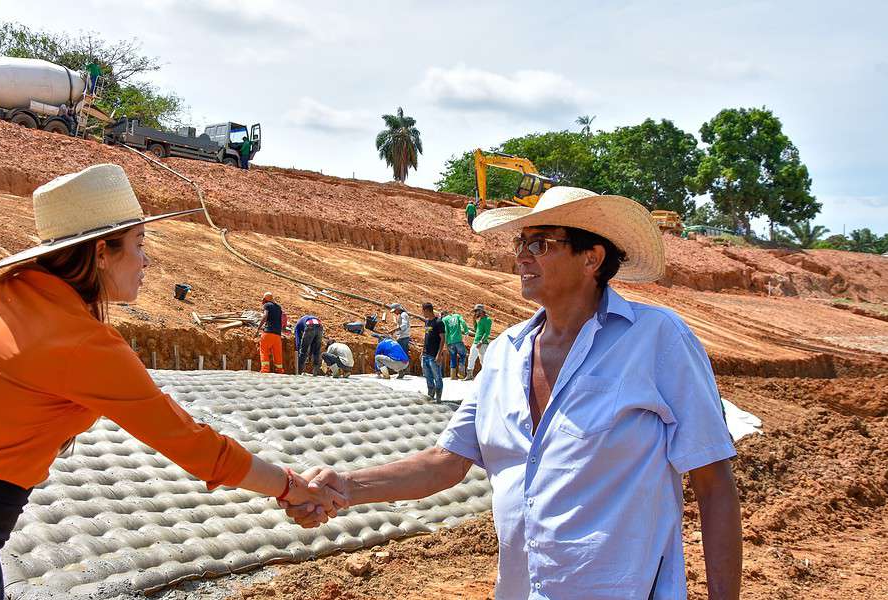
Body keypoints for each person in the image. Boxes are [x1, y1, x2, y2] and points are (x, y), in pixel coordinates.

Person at [0, 164, 342, 599]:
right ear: (102, 252)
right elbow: (195, 445)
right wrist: (290, 486)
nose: (146, 261)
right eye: (139, 243)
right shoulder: (83, 343)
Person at [282, 187, 742, 600]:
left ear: (592, 258)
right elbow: (446, 463)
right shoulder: (505, 352)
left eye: (539, 243)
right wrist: (345, 487)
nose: (521, 256)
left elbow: (713, 482)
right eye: (520, 243)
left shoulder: (657, 339)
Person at [420, 303, 447, 401]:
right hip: (426, 354)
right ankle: (430, 394)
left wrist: (439, 354)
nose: (422, 313)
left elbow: (443, 338)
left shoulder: (439, 322)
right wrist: (422, 351)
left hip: (434, 355)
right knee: (428, 376)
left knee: (437, 377)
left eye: (423, 310)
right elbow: (427, 337)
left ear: (427, 310)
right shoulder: (427, 322)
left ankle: (439, 397)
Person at [256, 292, 285, 373]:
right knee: (277, 353)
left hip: (268, 333)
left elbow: (265, 316)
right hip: (277, 335)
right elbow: (281, 320)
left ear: (266, 299)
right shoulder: (279, 307)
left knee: (264, 350)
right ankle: (279, 370)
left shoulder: (267, 305)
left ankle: (265, 369)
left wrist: (258, 328)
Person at [465, 304, 492, 380]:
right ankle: (469, 375)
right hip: (476, 342)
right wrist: (474, 320)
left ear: (481, 311)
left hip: (482, 343)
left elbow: (487, 333)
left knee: (483, 360)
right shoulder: (480, 320)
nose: (476, 313)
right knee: (471, 358)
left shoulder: (488, 320)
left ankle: (486, 377)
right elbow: (477, 330)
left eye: (477, 311)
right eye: (475, 311)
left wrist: (481, 341)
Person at [442, 308, 470, 379]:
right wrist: (466, 331)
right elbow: (463, 322)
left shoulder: (445, 319)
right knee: (463, 355)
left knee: (452, 357)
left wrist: (446, 343)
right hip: (458, 340)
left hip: (450, 342)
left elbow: (445, 331)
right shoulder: (457, 316)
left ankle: (453, 376)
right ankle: (461, 374)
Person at [386, 303, 411, 379]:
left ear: (398, 309)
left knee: (401, 354)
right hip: (402, 337)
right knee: (403, 353)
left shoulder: (403, 315)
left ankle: (402, 370)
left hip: (403, 337)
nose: (394, 313)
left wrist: (394, 330)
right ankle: (404, 370)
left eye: (395, 311)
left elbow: (404, 325)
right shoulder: (402, 315)